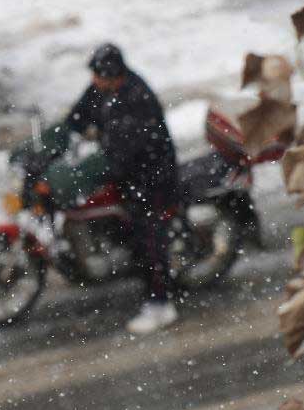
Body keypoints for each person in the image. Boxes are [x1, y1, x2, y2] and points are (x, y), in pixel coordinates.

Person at [13, 43, 180, 334]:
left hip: (149, 174)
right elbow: (77, 119)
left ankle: (160, 304)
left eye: (99, 76)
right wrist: (49, 146)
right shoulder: (103, 90)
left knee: (146, 234)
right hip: (125, 167)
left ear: (114, 75)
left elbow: (119, 153)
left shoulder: (135, 99)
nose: (94, 81)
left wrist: (76, 174)